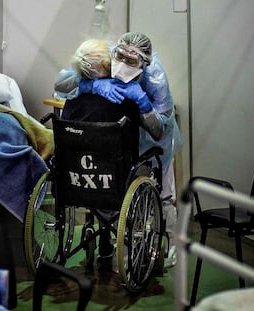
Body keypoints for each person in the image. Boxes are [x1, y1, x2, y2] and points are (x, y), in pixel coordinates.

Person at [55, 32, 181, 268]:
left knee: (164, 190)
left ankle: (168, 246)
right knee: (113, 176)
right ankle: (111, 239)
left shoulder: (154, 78)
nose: (122, 64)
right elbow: (61, 83)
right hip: (116, 142)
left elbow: (158, 132)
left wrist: (143, 103)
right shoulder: (102, 60)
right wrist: (91, 85)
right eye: (120, 56)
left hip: (150, 135)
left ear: (145, 63)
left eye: (131, 62)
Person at [61, 38, 144, 272]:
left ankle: (102, 237)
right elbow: (134, 140)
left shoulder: (72, 95)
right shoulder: (123, 96)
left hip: (75, 180)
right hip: (112, 180)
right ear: (106, 66)